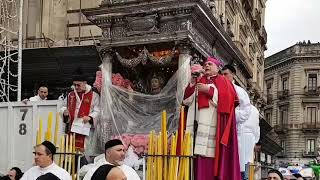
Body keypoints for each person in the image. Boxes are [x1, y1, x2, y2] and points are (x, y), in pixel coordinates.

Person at [182, 57, 240, 179]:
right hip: (196, 126)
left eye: (210, 64)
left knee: (207, 157)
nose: (206, 66)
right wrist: (192, 84)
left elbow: (228, 101)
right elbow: (186, 101)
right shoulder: (199, 80)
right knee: (194, 155)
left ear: (217, 68)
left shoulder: (223, 81)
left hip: (212, 126)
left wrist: (209, 90)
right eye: (205, 64)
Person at [222, 64, 260, 179]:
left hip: (239, 137)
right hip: (234, 137)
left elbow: (245, 114)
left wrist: (230, 116)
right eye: (222, 74)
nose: (223, 77)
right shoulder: (221, 89)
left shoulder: (239, 91)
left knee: (241, 168)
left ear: (233, 75)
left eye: (226, 74)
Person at [61, 67, 100, 151]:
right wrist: (64, 112)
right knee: (70, 153)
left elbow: (98, 110)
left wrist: (90, 117)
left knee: (84, 152)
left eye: (78, 85)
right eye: (74, 85)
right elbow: (63, 106)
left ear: (85, 83)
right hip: (72, 129)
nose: (76, 87)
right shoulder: (70, 95)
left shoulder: (94, 95)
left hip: (85, 129)